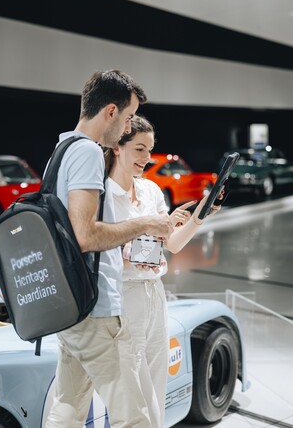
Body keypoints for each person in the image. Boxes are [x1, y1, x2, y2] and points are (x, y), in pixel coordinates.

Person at [45, 70, 173, 428]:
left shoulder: (62, 148)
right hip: (97, 312)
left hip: (69, 308)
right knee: (136, 418)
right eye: (129, 117)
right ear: (112, 111)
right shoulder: (86, 151)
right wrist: (146, 224)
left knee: (67, 408)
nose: (128, 125)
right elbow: (85, 235)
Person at [104, 114, 222, 427]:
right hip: (123, 299)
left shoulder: (151, 191)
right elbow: (99, 251)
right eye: (140, 149)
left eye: (150, 149)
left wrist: (199, 215)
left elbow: (173, 245)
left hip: (155, 294)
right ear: (118, 147)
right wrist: (131, 258)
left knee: (156, 387)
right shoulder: (102, 196)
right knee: (135, 396)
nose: (147, 157)